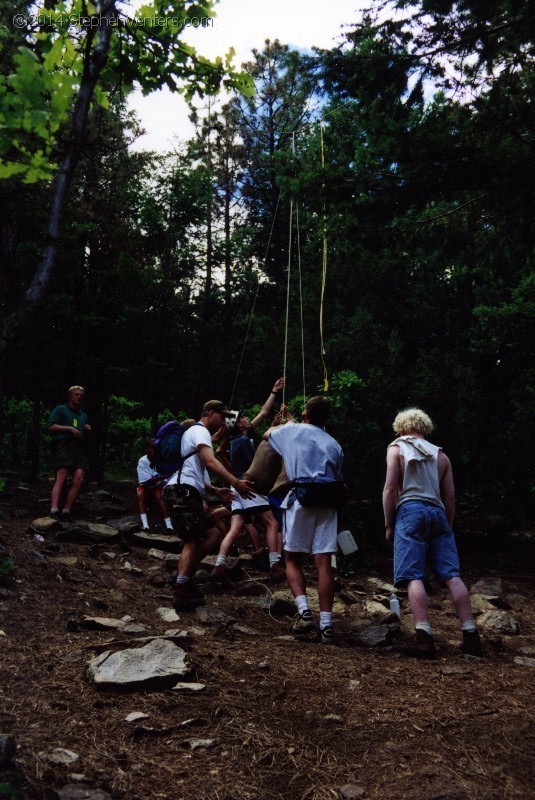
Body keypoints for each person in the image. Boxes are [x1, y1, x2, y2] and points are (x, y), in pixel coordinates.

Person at [382, 408, 482, 658]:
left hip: (410, 510)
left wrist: (388, 524)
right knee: (452, 575)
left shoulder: (396, 449)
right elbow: (450, 496)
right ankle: (471, 636)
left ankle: (424, 637)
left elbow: (390, 489)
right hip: (437, 512)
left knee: (413, 574)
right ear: (425, 427)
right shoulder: (441, 456)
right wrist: (446, 524)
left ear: (401, 427)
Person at [265, 395, 344, 644]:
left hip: (301, 499)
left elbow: (267, 435)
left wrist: (285, 421)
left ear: (305, 414)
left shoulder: (292, 430)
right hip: (328, 503)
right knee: (323, 562)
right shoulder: (334, 444)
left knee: (291, 556)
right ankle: (327, 625)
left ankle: (304, 611)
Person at [163, 400, 254, 612]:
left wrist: (214, 490)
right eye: (221, 416)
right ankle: (182, 589)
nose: (224, 421)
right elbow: (211, 462)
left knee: (213, 534)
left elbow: (193, 468)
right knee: (192, 540)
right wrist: (235, 483)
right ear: (210, 413)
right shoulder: (199, 431)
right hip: (182, 490)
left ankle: (183, 576)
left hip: (186, 489)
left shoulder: (196, 433)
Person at [221, 376, 286, 572]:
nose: (247, 418)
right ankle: (275, 564)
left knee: (236, 528)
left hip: (240, 485)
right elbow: (257, 464)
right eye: (242, 418)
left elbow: (264, 412)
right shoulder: (242, 442)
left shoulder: (241, 438)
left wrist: (274, 391)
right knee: (272, 522)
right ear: (239, 425)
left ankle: (219, 564)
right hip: (248, 486)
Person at [47, 386, 91, 521]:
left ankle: (66, 510)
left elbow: (81, 429)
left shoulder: (83, 415)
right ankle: (54, 510)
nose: (79, 397)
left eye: (81, 395)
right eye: (76, 394)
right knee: (61, 477)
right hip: (64, 445)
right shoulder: (61, 409)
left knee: (79, 477)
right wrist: (69, 429)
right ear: (70, 396)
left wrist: (86, 428)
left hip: (79, 448)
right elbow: (50, 427)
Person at [136, 440, 174, 532]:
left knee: (160, 496)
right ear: (147, 449)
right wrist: (164, 476)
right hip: (146, 487)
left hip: (158, 487)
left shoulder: (162, 460)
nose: (155, 450)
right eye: (153, 448)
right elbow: (147, 481)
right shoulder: (142, 461)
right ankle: (145, 525)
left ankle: (169, 525)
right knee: (140, 494)